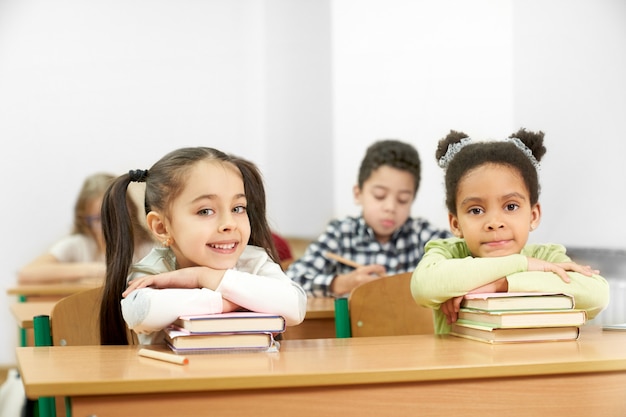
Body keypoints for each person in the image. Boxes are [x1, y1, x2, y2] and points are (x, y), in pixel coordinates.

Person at [99, 147, 307, 345]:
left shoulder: (254, 261)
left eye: (238, 208)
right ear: (162, 227)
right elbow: (141, 311)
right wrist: (233, 302)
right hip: (176, 380)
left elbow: (295, 306)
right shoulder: (154, 271)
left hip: (248, 376)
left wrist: (205, 277)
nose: (229, 224)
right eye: (205, 211)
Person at [411, 128, 610, 334]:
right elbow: (424, 286)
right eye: (476, 210)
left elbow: (597, 294)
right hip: (464, 365)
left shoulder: (546, 256)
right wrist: (523, 265)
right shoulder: (448, 254)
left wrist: (502, 285)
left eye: (511, 206)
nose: (495, 223)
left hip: (534, 364)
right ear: (455, 224)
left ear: (533, 216)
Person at [286, 139, 452, 297]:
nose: (390, 207)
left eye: (403, 200)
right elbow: (293, 278)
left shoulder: (423, 236)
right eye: (379, 196)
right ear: (358, 194)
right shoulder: (340, 234)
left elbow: (465, 254)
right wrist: (343, 282)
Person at [17, 172, 154, 284]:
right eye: (98, 219)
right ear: (85, 220)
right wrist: (94, 270)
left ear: (131, 210)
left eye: (116, 215)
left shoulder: (148, 250)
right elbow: (27, 273)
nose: (109, 225)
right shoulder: (79, 245)